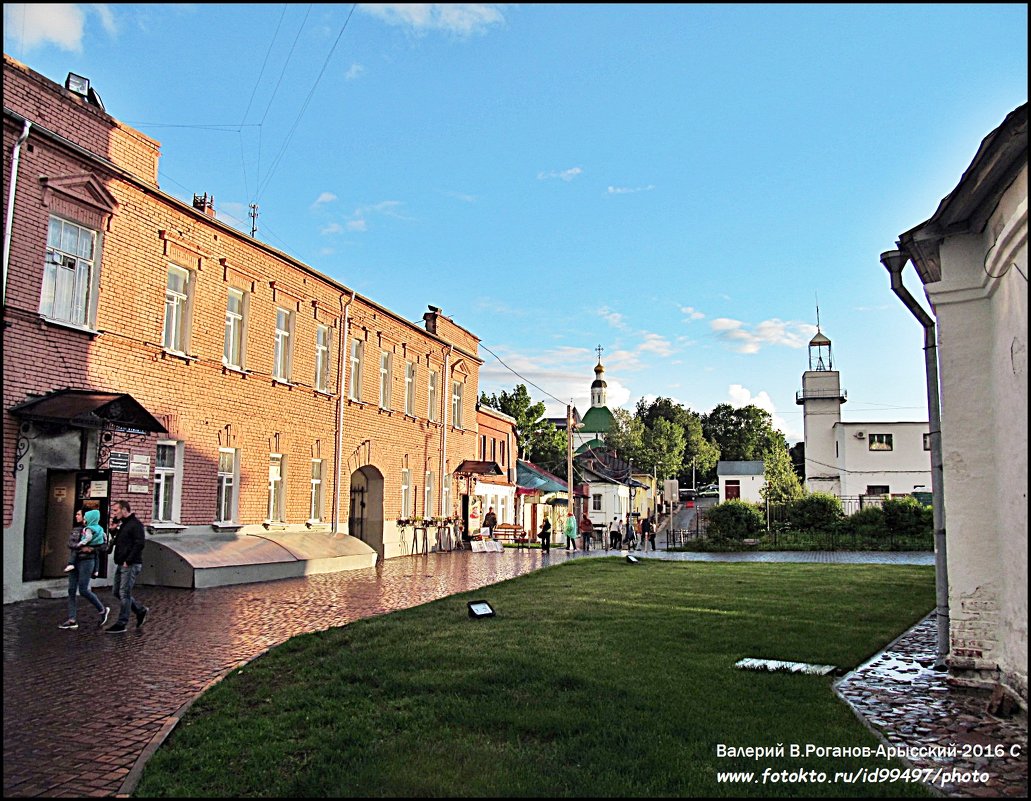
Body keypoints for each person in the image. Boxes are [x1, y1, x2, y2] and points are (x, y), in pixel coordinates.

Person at [58, 509, 110, 630]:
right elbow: (70, 543)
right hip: (75, 561)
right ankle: (72, 619)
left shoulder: (97, 530)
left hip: (87, 561)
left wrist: (92, 549)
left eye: (79, 515)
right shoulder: (76, 530)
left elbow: (104, 546)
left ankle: (102, 609)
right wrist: (80, 547)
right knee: (71, 590)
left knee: (83, 589)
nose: (77, 516)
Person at [106, 499, 149, 633]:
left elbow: (139, 544)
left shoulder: (135, 525)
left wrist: (129, 560)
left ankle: (122, 623)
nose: (114, 513)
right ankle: (140, 610)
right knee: (117, 592)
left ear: (124, 510)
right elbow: (120, 541)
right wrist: (113, 531)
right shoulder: (123, 524)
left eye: (116, 510)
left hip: (130, 563)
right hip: (121, 562)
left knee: (124, 593)